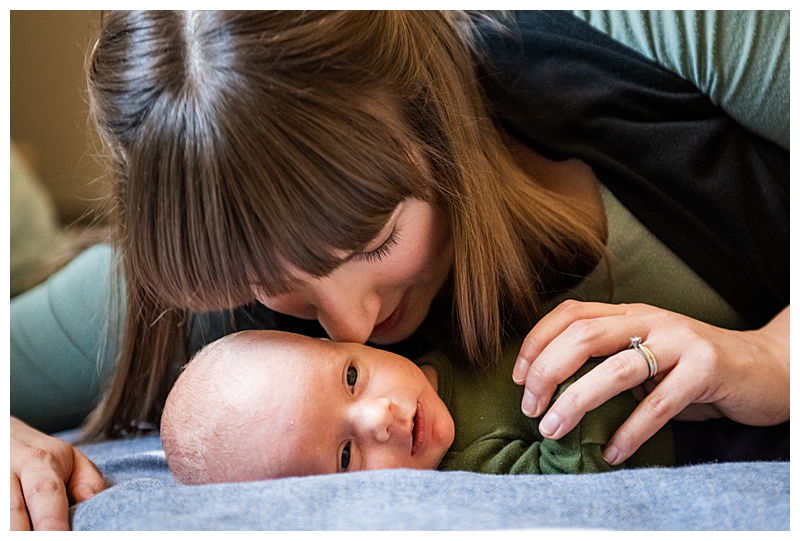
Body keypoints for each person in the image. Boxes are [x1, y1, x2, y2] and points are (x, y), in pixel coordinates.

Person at [10, 11, 788, 531]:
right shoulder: (214, 309)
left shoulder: (649, 26)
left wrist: (774, 356)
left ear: (435, 117)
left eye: (374, 240)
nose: (349, 326)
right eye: (271, 281)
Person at [161, 330, 675, 484]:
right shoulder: (468, 472)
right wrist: (570, 392)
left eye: (351, 377)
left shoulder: (450, 335)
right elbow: (580, 478)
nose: (380, 418)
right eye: (345, 456)